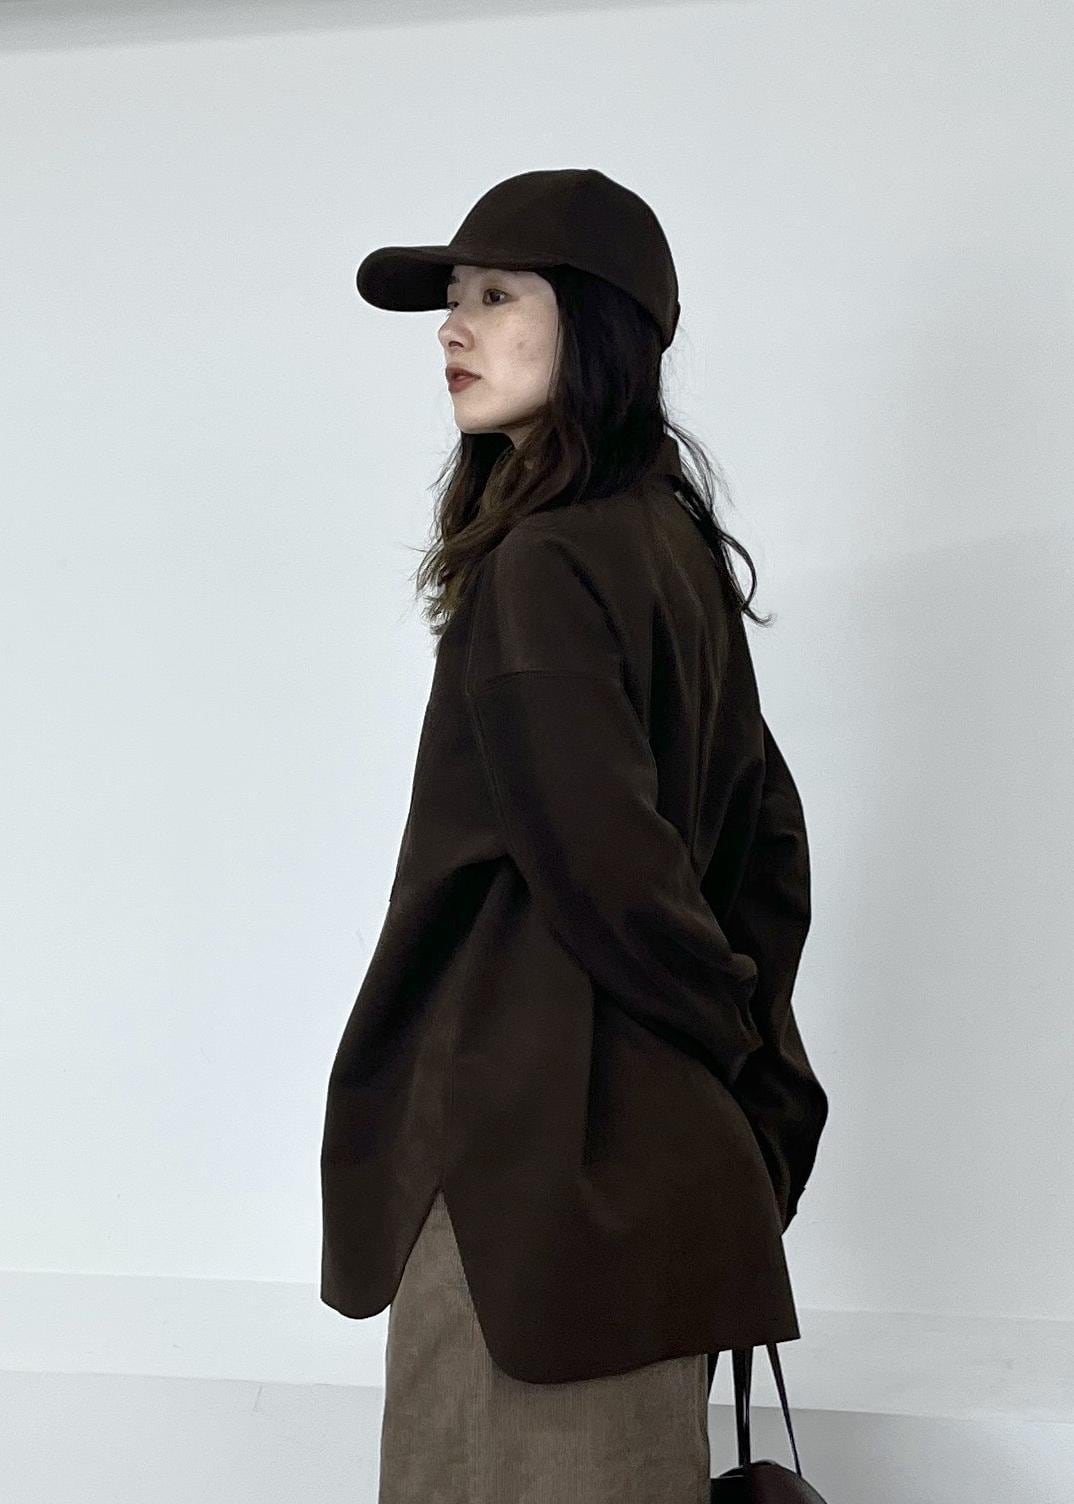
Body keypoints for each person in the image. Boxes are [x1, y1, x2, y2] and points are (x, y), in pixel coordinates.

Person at [320, 168, 829, 1504]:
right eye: (453, 300)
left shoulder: (541, 561)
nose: (453, 328)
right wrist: (746, 1076)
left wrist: (726, 1047)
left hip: (530, 1174)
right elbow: (766, 853)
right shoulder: (674, 550)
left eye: (497, 296)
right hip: (655, 1177)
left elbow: (610, 870)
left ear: (596, 327)